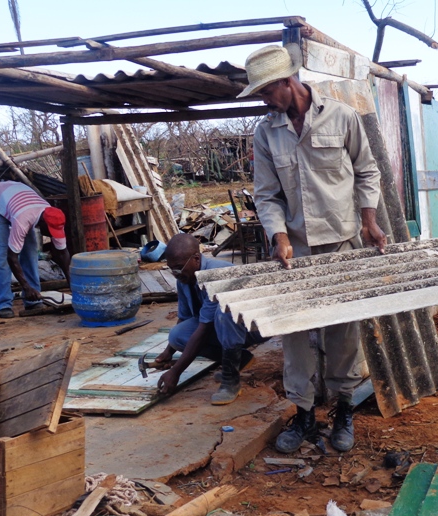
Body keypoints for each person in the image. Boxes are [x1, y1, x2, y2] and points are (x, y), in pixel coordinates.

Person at [237, 44, 387, 453]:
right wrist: (279, 236)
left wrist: (370, 220)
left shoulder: (342, 117)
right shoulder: (266, 132)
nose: (264, 101)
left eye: (266, 92)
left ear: (287, 82)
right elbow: (266, 194)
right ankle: (303, 415)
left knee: (344, 334)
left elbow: (366, 170)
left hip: (341, 243)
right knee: (295, 335)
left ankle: (343, 410)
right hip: (296, 253)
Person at [155, 234, 265, 405]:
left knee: (224, 312)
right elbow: (185, 318)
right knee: (177, 336)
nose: (175, 274)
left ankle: (230, 380)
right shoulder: (184, 279)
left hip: (256, 326)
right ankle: (241, 359)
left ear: (196, 259)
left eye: (178, 268)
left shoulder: (217, 274)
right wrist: (169, 352)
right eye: (171, 269)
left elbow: (204, 329)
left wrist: (176, 372)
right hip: (226, 326)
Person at [0, 180, 71, 318]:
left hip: (17, 198)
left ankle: (33, 300)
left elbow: (62, 253)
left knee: (30, 252)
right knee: (3, 252)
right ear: (42, 223)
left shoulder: (53, 216)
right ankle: (3, 303)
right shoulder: (23, 220)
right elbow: (11, 257)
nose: (51, 234)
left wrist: (72, 283)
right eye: (50, 231)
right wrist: (26, 286)